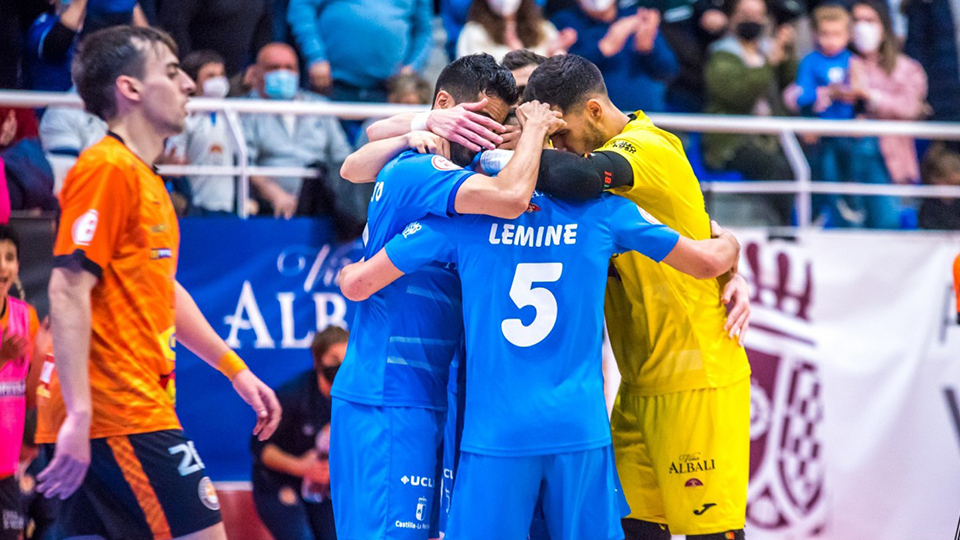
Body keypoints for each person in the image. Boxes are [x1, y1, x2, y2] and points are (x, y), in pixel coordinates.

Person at [336, 172, 741, 540]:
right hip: (578, 427)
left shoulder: (465, 220)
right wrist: (730, 244)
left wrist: (347, 272)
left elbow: (358, 283)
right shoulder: (604, 211)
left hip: (497, 431)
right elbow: (707, 262)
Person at [34, 26, 281, 540]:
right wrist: (80, 413)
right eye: (171, 72)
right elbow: (66, 288)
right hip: (118, 412)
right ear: (129, 88)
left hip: (129, 408)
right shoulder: (106, 167)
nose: (189, 84)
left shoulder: (148, 179)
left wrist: (235, 370)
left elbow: (164, 289)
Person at [329, 54, 564, 540]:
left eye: (498, 125)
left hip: (434, 394)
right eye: (482, 122)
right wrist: (535, 134)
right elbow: (510, 199)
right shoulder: (424, 169)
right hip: (390, 393)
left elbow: (363, 154)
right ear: (444, 105)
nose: (488, 137)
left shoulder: (456, 167)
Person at [525, 54, 752, 540]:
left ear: (593, 110)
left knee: (711, 533)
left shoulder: (646, 146)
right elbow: (704, 229)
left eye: (561, 135)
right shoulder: (619, 162)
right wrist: (731, 250)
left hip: (695, 377)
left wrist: (520, 148)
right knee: (634, 529)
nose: (558, 147)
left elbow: (578, 177)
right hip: (638, 382)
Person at [702, 0, 797, 225]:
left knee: (805, 160)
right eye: (745, 14)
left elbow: (789, 84)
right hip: (730, 143)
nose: (752, 20)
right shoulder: (722, 55)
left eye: (757, 15)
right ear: (731, 18)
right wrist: (768, 64)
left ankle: (806, 222)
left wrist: (788, 53)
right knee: (774, 167)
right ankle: (782, 232)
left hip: (771, 137)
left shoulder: (768, 50)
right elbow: (738, 94)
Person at [251, 326, 347, 540]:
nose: (343, 366)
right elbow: (260, 447)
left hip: (322, 487)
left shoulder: (356, 400)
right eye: (335, 359)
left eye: (348, 359)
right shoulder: (292, 395)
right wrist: (301, 467)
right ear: (318, 361)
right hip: (278, 483)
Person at [241, 43, 353, 220]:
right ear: (256, 73)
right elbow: (245, 163)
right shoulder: (244, 110)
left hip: (322, 205)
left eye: (289, 68)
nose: (282, 73)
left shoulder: (319, 106)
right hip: (268, 209)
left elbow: (342, 156)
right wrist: (277, 195)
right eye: (273, 68)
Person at [286, 0, 433, 103]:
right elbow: (301, 8)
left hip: (388, 90)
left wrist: (412, 67)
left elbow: (424, 30)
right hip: (331, 84)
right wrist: (316, 56)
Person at [849, 0, 928, 186]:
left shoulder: (907, 68)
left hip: (893, 165)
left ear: (884, 26)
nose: (862, 27)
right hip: (847, 165)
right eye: (856, 20)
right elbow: (795, 95)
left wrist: (872, 97)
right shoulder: (841, 64)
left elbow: (910, 107)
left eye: (869, 20)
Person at [551, 0, 679, 112]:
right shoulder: (564, 22)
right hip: (592, 119)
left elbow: (669, 71)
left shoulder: (637, 17)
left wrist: (648, 49)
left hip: (647, 119)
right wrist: (603, 48)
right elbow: (560, 74)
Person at [0, 225, 44, 540]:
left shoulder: (26, 317)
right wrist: (2, 357)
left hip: (7, 469)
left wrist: (42, 357)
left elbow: (29, 398)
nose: (3, 266)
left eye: (9, 257)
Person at [167, 50, 237, 215]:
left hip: (228, 205)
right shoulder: (184, 118)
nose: (218, 81)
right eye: (210, 76)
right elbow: (174, 161)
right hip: (197, 205)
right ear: (193, 81)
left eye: (221, 75)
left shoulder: (233, 116)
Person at [157, 0, 272, 77]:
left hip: (237, 79)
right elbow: (173, 25)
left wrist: (258, 69)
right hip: (197, 79)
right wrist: (188, 70)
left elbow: (262, 30)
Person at [456, 0, 575, 60]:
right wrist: (521, 58)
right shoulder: (473, 32)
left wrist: (555, 52)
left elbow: (558, 78)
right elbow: (474, 81)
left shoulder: (543, 29)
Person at [24, 0, 88, 92]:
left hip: (80, 97)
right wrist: (78, 6)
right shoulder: (42, 25)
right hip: (49, 98)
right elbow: (57, 44)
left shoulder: (94, 24)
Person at [918, 143, 960, 230]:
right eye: (949, 183)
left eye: (957, 185)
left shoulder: (957, 203)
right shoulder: (928, 206)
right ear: (935, 180)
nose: (953, 190)